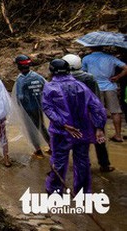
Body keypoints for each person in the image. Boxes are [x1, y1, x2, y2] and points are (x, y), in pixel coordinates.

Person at [42, 59, 107, 195]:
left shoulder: (50, 87)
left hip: (61, 132)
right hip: (82, 131)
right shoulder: (81, 86)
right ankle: (82, 192)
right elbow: (97, 107)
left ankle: (54, 191)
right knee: (82, 161)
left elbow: (48, 108)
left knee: (59, 161)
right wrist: (99, 128)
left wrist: (63, 124)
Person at [62, 54, 114, 172]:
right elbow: (96, 97)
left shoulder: (62, 78)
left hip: (73, 115)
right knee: (99, 138)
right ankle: (104, 164)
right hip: (90, 113)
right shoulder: (88, 77)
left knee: (78, 139)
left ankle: (83, 163)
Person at [82, 46, 127, 142]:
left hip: (95, 87)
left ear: (91, 48)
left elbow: (84, 73)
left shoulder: (87, 58)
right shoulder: (110, 57)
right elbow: (125, 68)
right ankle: (118, 135)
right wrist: (118, 76)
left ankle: (99, 134)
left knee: (97, 111)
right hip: (110, 86)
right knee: (116, 111)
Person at [12, 54, 50, 157]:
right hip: (39, 107)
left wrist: (20, 107)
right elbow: (47, 88)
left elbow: (20, 97)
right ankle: (52, 146)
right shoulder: (37, 76)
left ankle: (38, 150)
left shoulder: (21, 79)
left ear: (19, 66)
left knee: (31, 129)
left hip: (27, 109)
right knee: (42, 126)